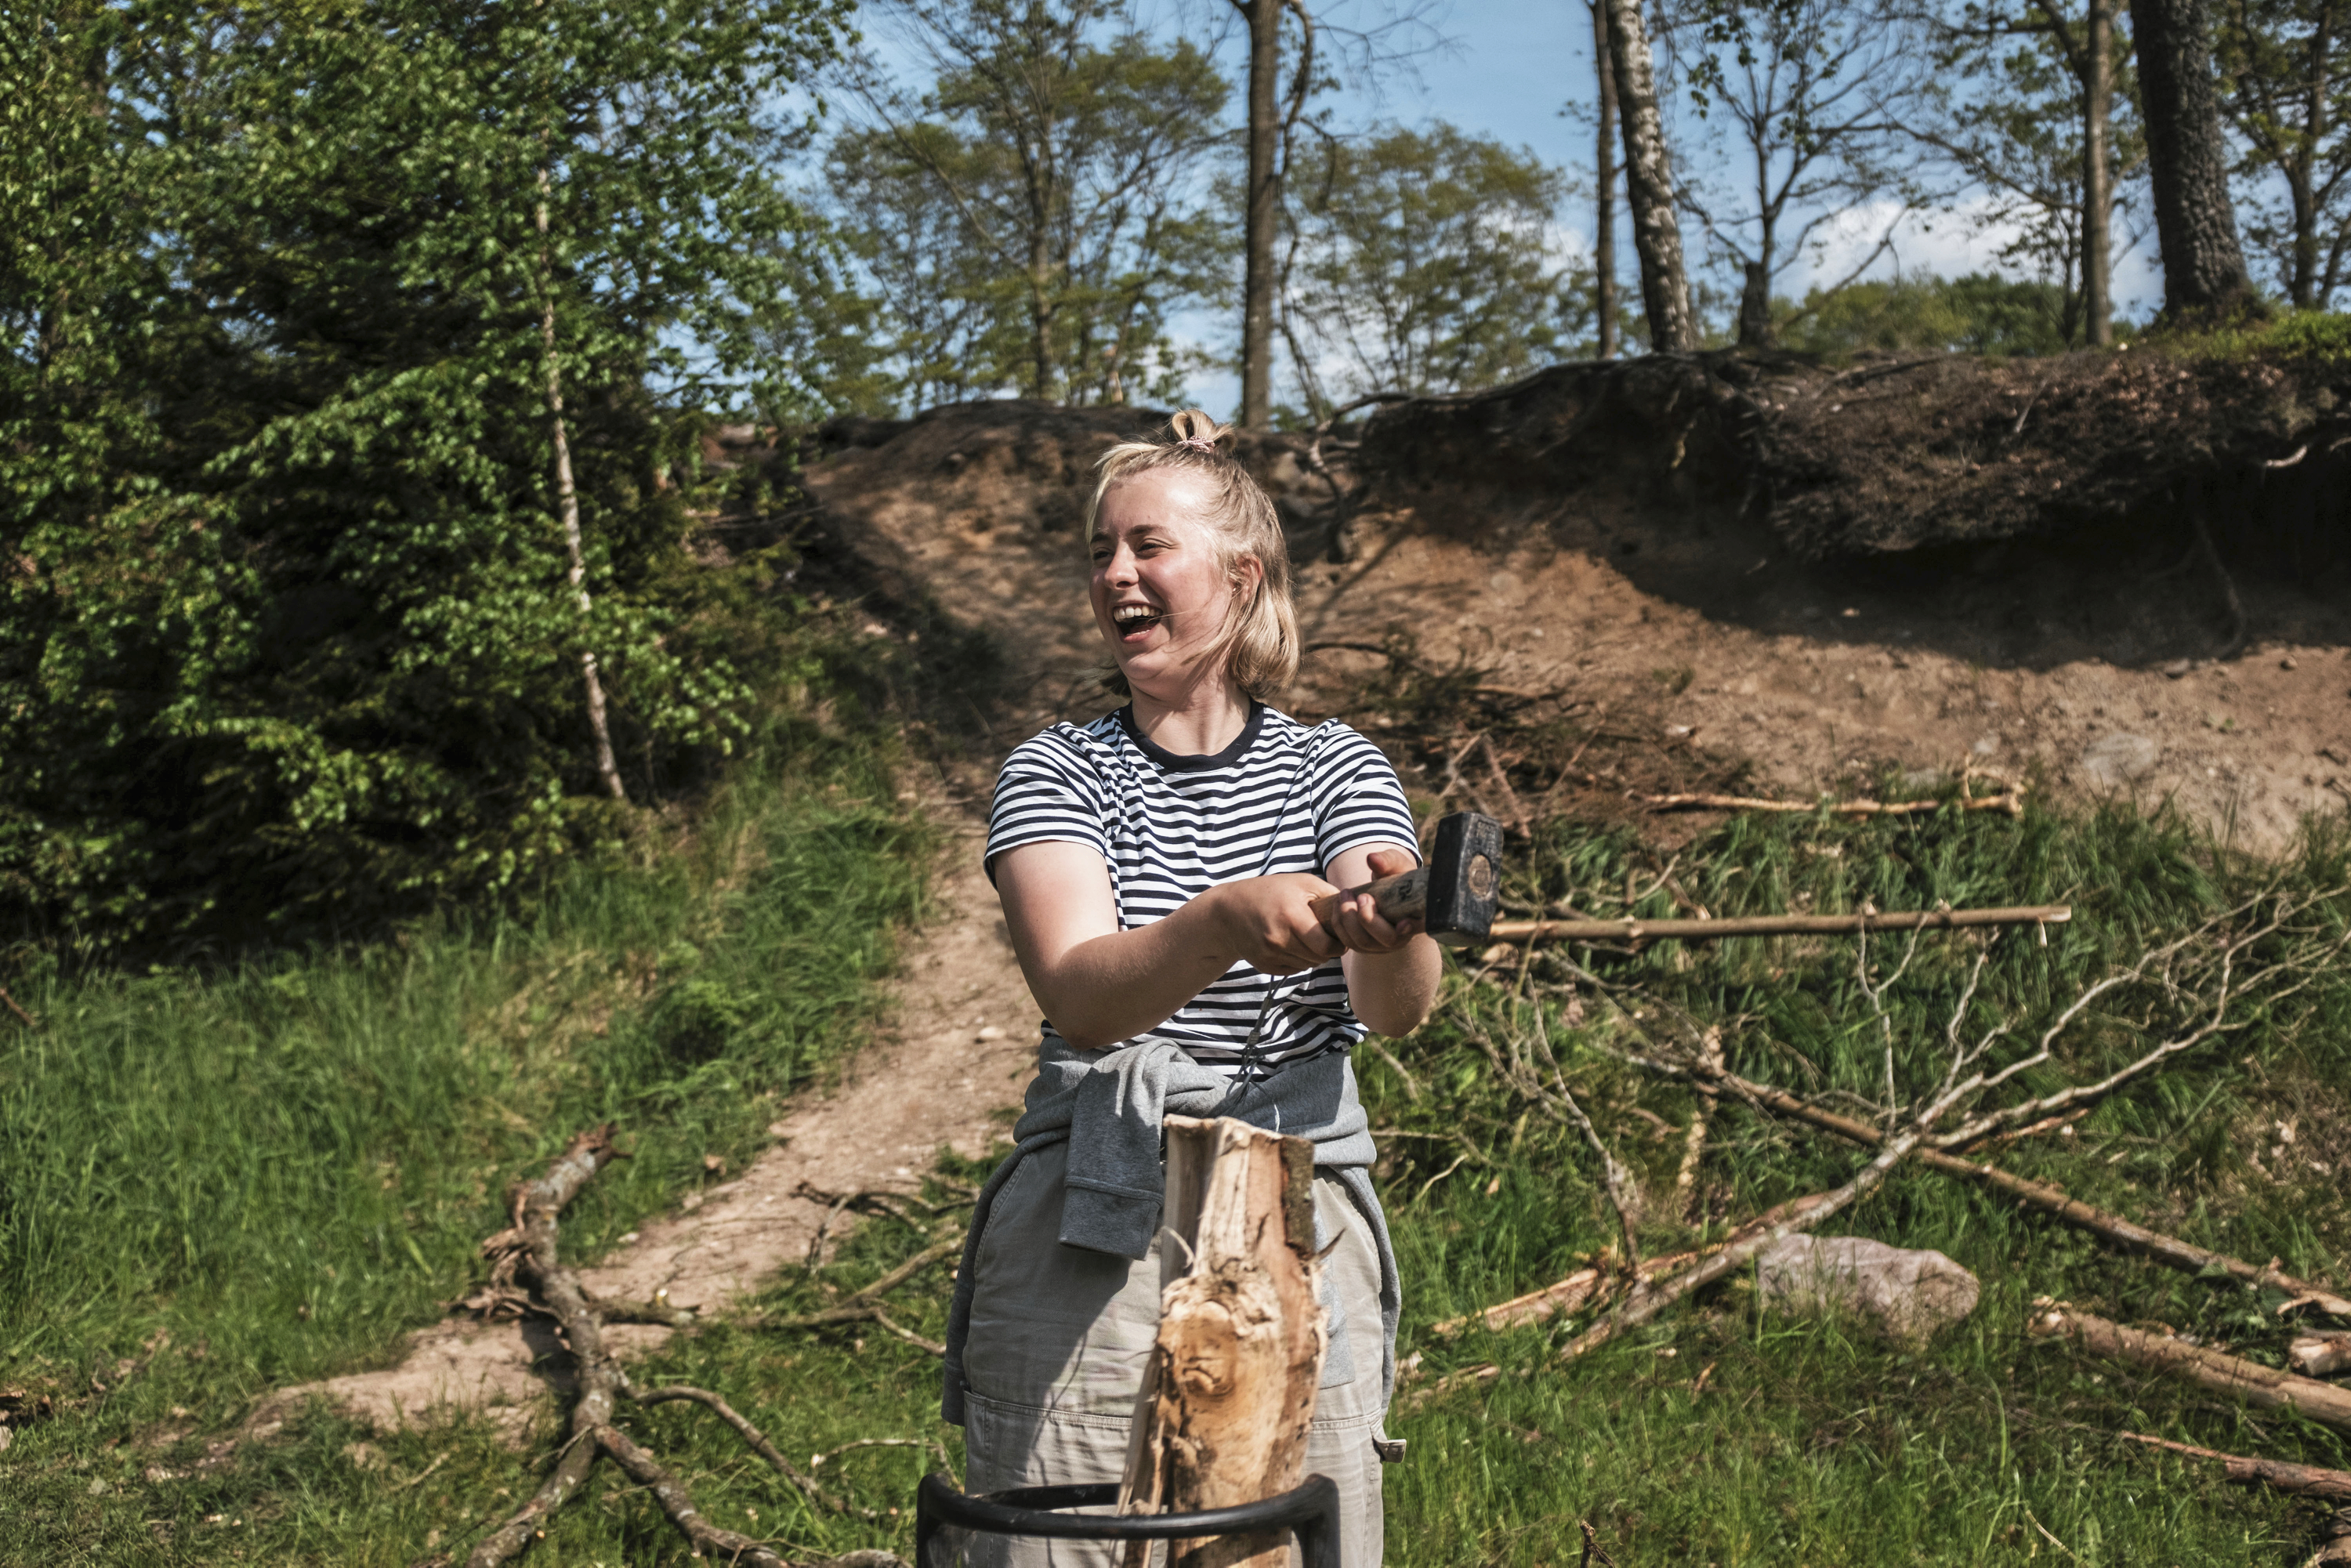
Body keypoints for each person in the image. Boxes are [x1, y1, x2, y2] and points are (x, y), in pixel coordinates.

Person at [940, 410, 1442, 1568]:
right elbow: (1083, 994)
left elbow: (1397, 1006)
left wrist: (1391, 926)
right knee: (1061, 1540)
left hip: (1296, 1213)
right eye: (1102, 552)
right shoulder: (1058, 768)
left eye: (1149, 545)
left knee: (1284, 1542)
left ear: (1242, 575)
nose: (1116, 573)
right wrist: (1221, 921)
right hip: (1094, 1208)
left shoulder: (1336, 765)